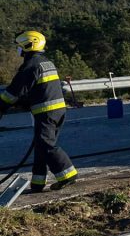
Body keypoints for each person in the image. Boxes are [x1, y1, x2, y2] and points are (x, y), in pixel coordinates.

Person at [0, 31, 78, 191]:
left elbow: (14, 91)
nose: (18, 50)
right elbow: (40, 89)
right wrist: (24, 102)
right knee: (40, 145)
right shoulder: (45, 62)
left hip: (47, 112)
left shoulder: (31, 66)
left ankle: (68, 174)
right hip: (56, 111)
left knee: (46, 145)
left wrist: (2, 106)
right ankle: (37, 183)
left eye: (19, 46)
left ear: (29, 45)